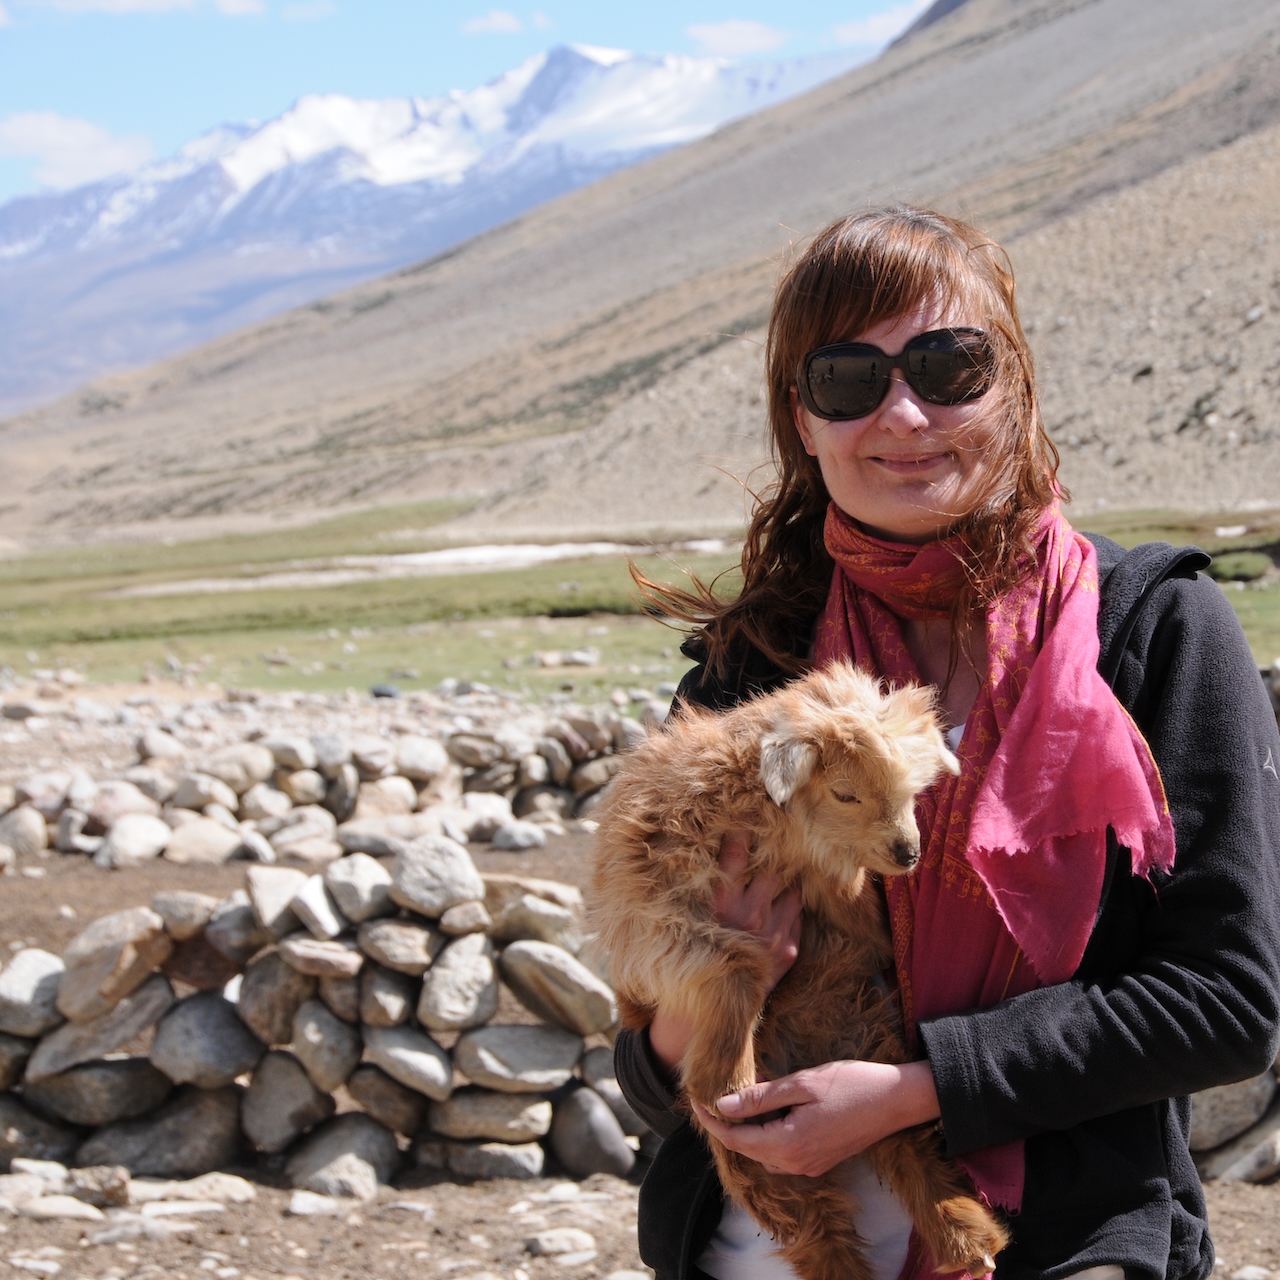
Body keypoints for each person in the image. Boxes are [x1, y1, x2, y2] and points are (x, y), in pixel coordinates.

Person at [612, 206, 1280, 1280]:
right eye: (847, 381)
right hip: (760, 1244)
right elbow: (646, 1070)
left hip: (1047, 1241)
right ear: (803, 420)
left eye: (948, 365)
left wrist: (914, 1091)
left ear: (1013, 382)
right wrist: (712, 991)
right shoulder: (759, 669)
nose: (905, 413)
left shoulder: (1149, 628)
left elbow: (1225, 1001)